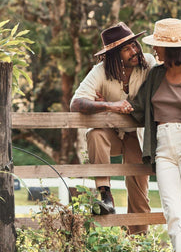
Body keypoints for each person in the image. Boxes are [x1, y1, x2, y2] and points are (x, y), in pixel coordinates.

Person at [118, 18, 181, 251]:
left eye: (158, 45)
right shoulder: (155, 74)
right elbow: (139, 107)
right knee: (173, 211)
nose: (154, 49)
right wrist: (110, 102)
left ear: (172, 48)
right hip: (162, 147)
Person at [70, 22, 156, 235]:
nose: (135, 51)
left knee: (139, 193)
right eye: (127, 49)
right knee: (95, 134)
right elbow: (76, 103)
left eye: (134, 45)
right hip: (112, 135)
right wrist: (109, 105)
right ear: (114, 56)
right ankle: (105, 194)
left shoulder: (149, 64)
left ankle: (138, 243)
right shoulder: (100, 72)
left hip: (138, 135)